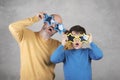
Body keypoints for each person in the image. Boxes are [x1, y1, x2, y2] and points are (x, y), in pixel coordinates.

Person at [9, 12, 64, 80]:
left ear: (57, 31)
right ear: (45, 21)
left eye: (57, 26)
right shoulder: (26, 35)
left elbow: (73, 52)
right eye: (51, 21)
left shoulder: (58, 45)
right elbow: (13, 26)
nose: (53, 26)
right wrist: (34, 19)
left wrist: (68, 36)